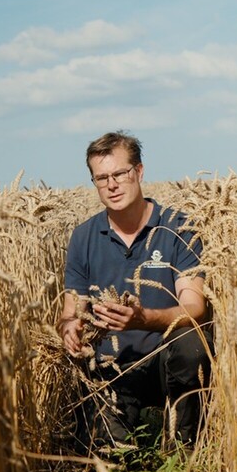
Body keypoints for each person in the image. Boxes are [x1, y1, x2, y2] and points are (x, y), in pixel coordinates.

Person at [57, 130, 213, 454]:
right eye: (102, 178)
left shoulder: (178, 228)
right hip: (111, 368)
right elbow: (71, 311)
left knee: (192, 343)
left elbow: (195, 307)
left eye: (120, 174)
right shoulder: (84, 237)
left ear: (139, 171)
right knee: (110, 458)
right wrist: (71, 329)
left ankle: (184, 451)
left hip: (166, 361)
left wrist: (144, 319)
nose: (112, 185)